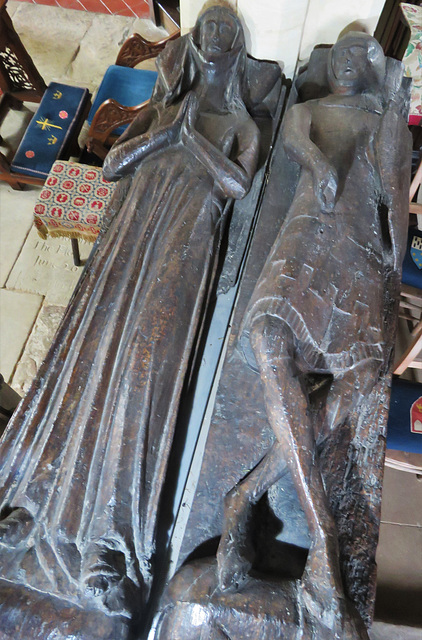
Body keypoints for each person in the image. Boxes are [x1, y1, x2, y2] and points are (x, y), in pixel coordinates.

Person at [0, 5, 273, 618]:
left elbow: (235, 183)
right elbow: (118, 163)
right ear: (196, 56)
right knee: (90, 347)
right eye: (208, 37)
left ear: (233, 59)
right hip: (134, 228)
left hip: (186, 237)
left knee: (147, 363)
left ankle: (111, 537)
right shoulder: (163, 108)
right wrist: (164, 132)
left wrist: (192, 143)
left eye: (227, 38)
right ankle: (36, 504)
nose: (216, 43)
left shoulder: (240, 122)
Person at [216, 32, 410, 637]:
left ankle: (245, 496)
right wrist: (324, 166)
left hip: (353, 256)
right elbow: (300, 146)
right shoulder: (307, 109)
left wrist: (391, 266)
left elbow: (391, 194)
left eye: (362, 58)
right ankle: (321, 534)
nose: (349, 63)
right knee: (269, 338)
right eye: (342, 56)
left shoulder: (382, 117)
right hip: (303, 244)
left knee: (361, 383)